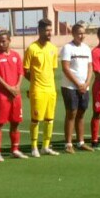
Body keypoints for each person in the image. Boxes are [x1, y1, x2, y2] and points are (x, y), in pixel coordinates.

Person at [24, 18, 60, 157]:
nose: (49, 33)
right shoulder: (32, 48)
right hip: (38, 89)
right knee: (36, 119)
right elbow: (25, 70)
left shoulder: (53, 49)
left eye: (51, 30)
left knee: (49, 119)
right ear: (40, 31)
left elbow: (53, 69)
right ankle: (34, 147)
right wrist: (34, 82)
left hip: (51, 89)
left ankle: (45, 146)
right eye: (47, 30)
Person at [0, 29, 26, 161]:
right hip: (3, 95)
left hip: (15, 94)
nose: (1, 43)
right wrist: (9, 88)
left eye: (4, 41)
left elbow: (21, 72)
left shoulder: (16, 55)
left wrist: (17, 86)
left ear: (9, 40)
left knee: (15, 122)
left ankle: (15, 149)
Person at [58, 22, 94, 152]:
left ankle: (80, 142)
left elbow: (90, 67)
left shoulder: (86, 48)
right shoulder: (67, 48)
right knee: (71, 113)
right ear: (73, 34)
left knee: (81, 113)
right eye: (79, 33)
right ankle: (68, 144)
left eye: (83, 33)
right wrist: (78, 84)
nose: (82, 36)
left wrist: (87, 82)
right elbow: (65, 68)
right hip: (70, 87)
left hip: (84, 86)